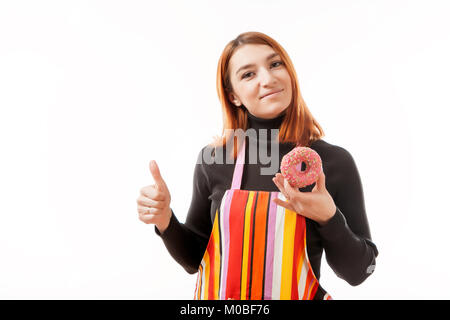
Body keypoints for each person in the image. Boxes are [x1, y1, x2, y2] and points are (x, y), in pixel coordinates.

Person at [137, 31, 378, 300]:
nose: (268, 78)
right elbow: (195, 259)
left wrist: (329, 217)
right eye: (248, 74)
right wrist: (165, 221)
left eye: (275, 64)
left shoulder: (332, 163)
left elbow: (360, 271)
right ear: (233, 97)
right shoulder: (214, 160)